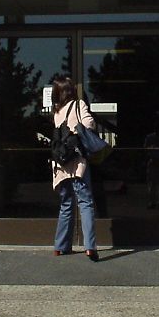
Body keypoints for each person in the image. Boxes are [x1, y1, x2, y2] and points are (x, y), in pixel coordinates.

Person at [50, 76, 99, 261]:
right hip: (77, 162)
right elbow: (89, 123)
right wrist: (77, 131)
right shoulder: (79, 105)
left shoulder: (56, 111)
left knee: (66, 204)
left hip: (61, 164)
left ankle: (60, 246)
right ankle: (90, 247)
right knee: (85, 202)